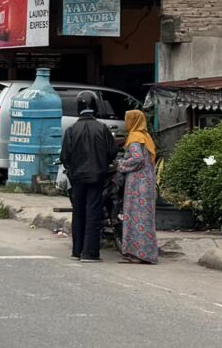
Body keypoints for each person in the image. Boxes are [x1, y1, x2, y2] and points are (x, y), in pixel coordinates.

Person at [57, 94, 116, 260]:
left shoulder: (71, 130)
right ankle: (90, 253)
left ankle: (77, 251)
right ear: (95, 107)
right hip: (97, 177)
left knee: (79, 212)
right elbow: (112, 152)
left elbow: (64, 156)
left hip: (77, 178)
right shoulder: (102, 128)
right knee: (93, 213)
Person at [114, 109, 160, 263]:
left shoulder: (135, 137)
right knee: (145, 219)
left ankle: (136, 254)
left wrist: (121, 165)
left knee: (135, 217)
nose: (126, 122)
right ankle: (147, 253)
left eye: (128, 119)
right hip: (146, 183)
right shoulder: (146, 137)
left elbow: (137, 159)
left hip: (136, 185)